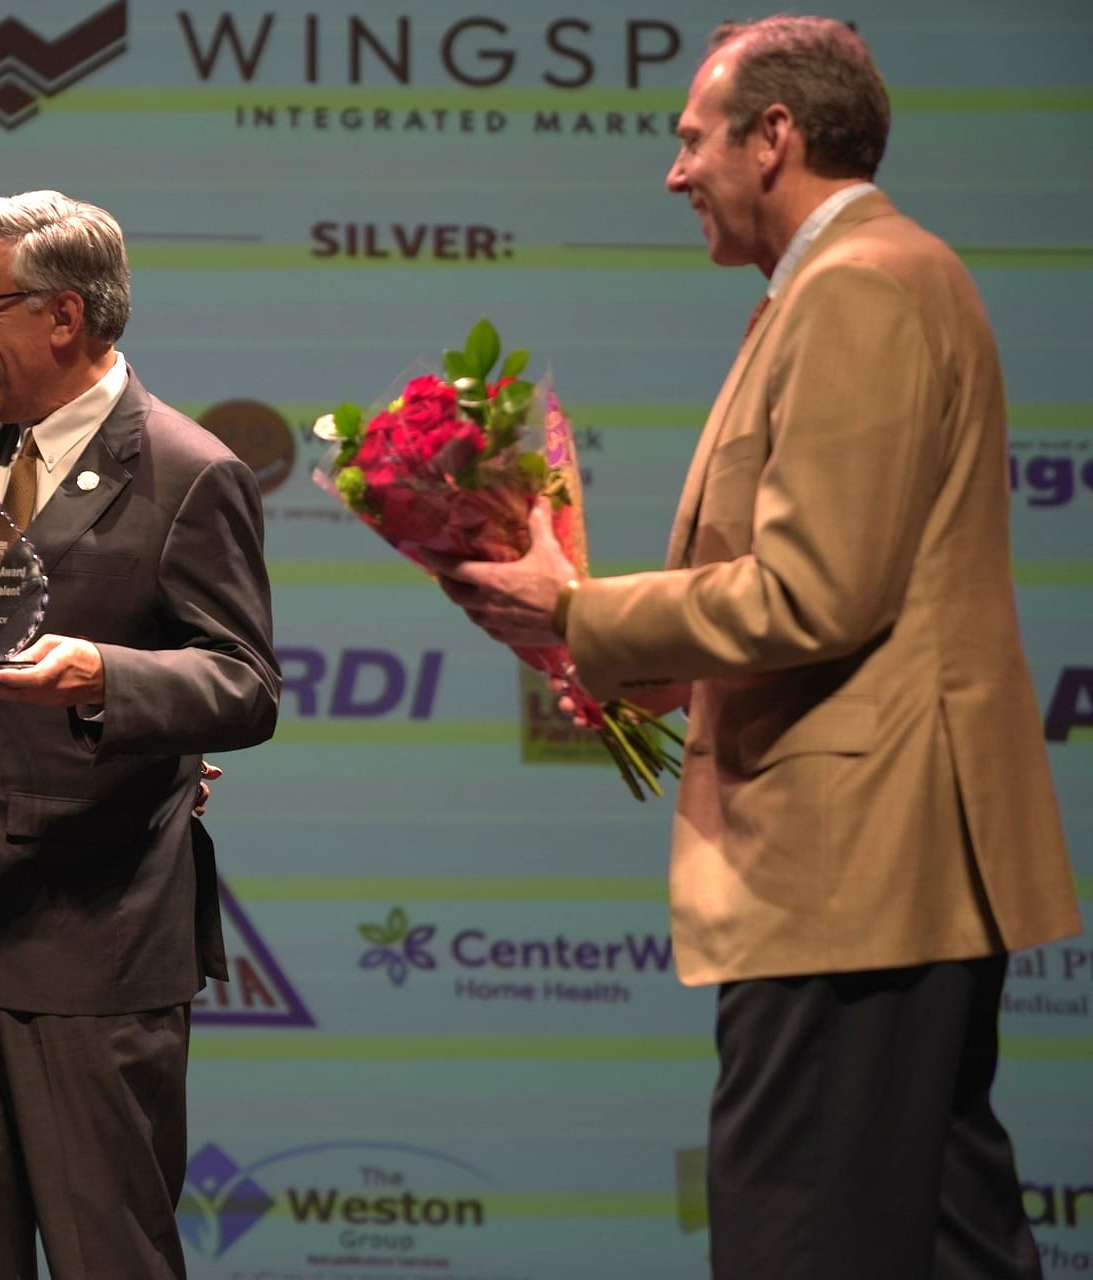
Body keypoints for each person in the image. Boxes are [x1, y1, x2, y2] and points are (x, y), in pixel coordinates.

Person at [437, 18, 1080, 1280]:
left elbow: (816, 592)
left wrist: (579, 610)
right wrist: (634, 662)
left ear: (774, 136)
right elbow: (852, 587)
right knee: (944, 1238)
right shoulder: (859, 279)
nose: (675, 172)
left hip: (854, 867)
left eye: (694, 140)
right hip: (884, 863)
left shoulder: (858, 287)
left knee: (806, 1237)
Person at [0, 190, 280, 1279]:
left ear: (62, 316)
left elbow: (245, 682)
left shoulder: (189, 470)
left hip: (91, 943)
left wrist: (107, 678)